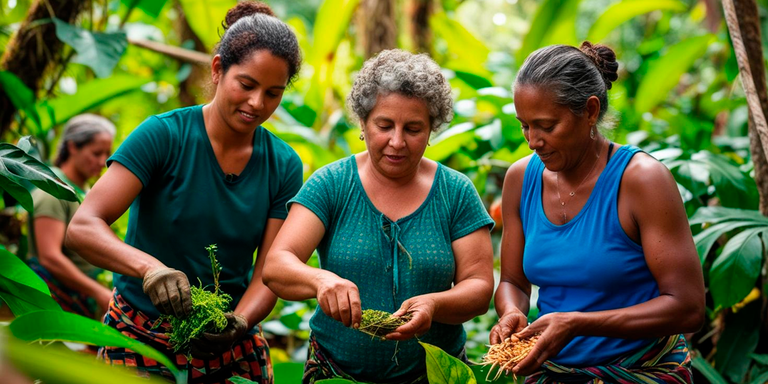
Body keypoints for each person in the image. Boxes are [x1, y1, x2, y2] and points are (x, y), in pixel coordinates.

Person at [65, 2, 302, 382]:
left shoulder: (284, 164)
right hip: (140, 335)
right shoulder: (163, 135)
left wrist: (240, 321)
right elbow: (82, 227)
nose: (257, 103)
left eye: (273, 93)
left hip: (227, 342)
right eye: (247, 84)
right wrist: (149, 269)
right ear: (217, 68)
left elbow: (269, 270)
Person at [262, 49, 495, 384]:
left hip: (432, 375)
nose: (397, 142)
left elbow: (479, 287)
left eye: (413, 128)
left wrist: (433, 304)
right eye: (384, 125)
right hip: (336, 372)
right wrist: (321, 280)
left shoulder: (455, 191)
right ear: (363, 123)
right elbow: (276, 266)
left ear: (432, 130)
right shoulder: (332, 183)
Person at [490, 42, 706, 383]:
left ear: (590, 111)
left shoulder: (641, 180)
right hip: (552, 370)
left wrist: (576, 323)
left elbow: (688, 307)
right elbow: (513, 281)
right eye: (524, 126)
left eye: (546, 126)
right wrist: (512, 312)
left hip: (642, 369)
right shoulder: (521, 178)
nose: (532, 141)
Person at [27, 114, 115, 319]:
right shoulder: (52, 191)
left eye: (107, 153)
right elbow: (49, 257)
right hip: (59, 304)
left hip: (84, 303)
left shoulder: (85, 191)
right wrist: (98, 292)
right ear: (73, 147)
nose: (103, 161)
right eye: (96, 153)